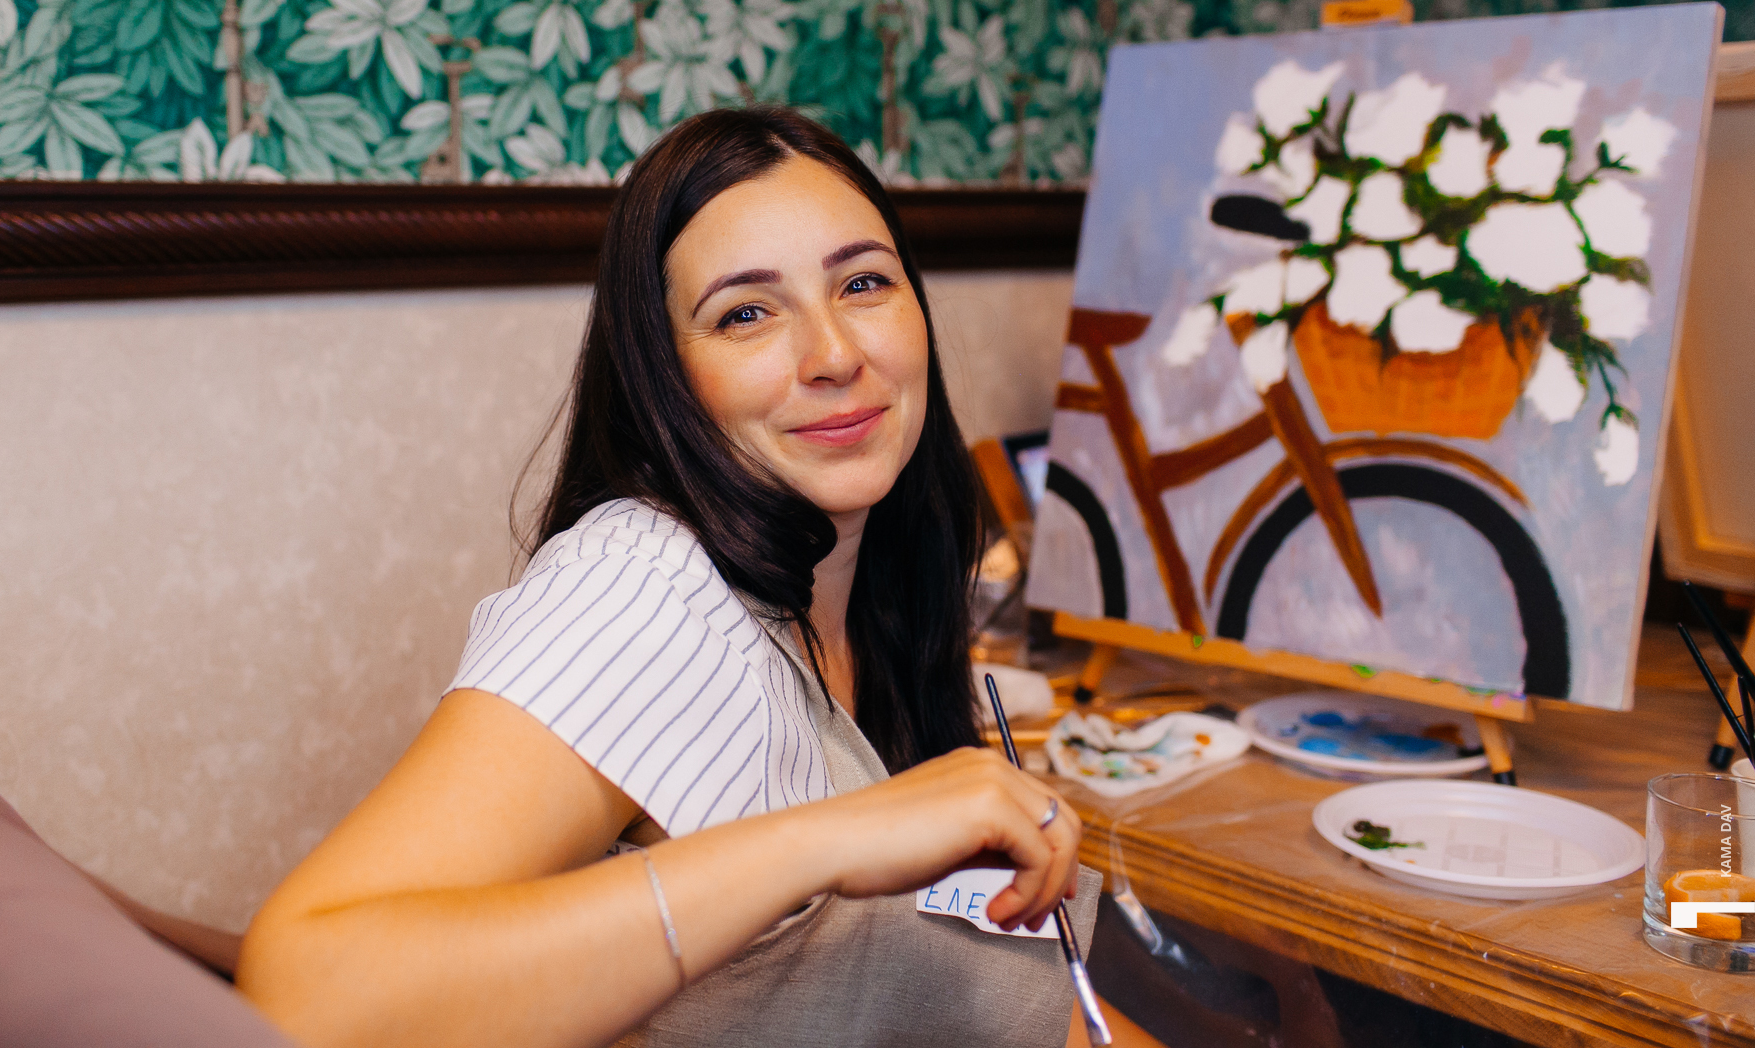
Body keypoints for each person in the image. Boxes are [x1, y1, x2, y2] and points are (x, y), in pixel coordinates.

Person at [236, 108, 1153, 1048]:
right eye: (746, 313)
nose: (836, 355)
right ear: (663, 379)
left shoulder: (866, 581)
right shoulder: (643, 585)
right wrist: (831, 839)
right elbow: (305, 996)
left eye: (864, 283)